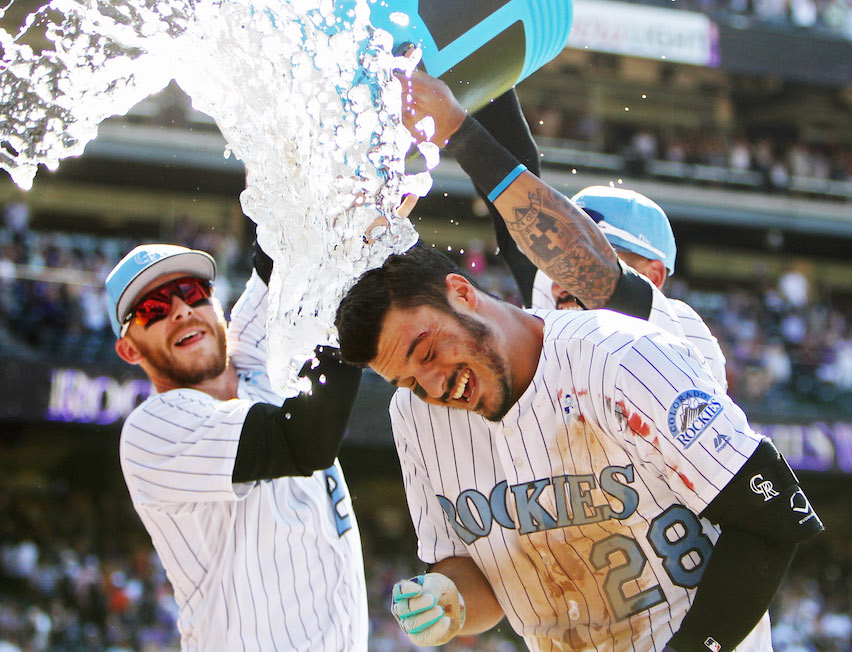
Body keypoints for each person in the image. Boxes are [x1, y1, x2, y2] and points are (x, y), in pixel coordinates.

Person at [334, 242, 823, 651]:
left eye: (428, 352)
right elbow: (477, 575)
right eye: (410, 382)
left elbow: (772, 515)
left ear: (462, 294)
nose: (436, 386)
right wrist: (453, 599)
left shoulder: (620, 355)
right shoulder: (416, 418)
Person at [105, 241, 367, 651]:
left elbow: (285, 240)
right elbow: (303, 443)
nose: (181, 310)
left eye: (192, 292)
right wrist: (352, 298)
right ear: (129, 348)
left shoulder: (252, 356)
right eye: (153, 307)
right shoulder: (153, 429)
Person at [405, 68, 727, 389]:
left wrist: (459, 131)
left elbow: (607, 290)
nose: (558, 278)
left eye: (592, 249)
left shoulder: (684, 336)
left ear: (652, 277)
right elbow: (513, 170)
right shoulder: (552, 296)